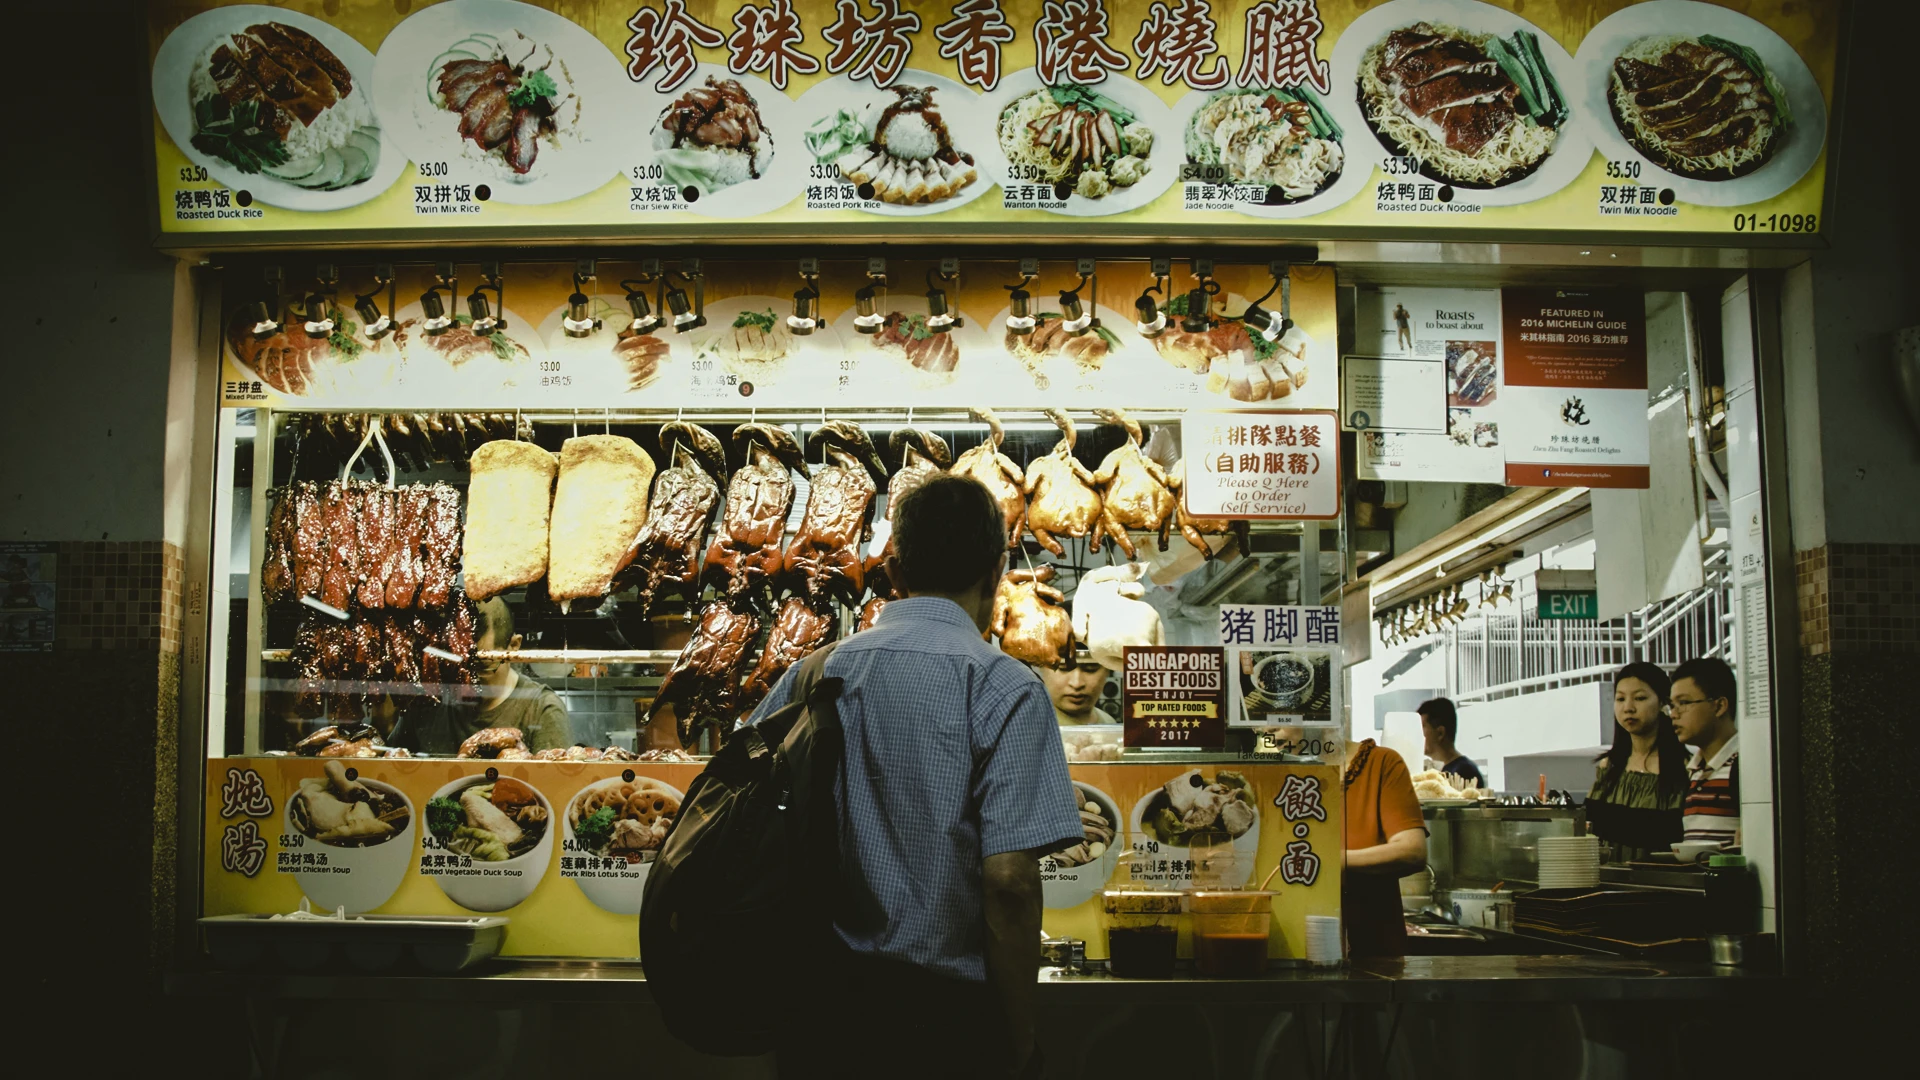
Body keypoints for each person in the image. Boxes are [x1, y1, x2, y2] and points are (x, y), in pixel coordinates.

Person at [749, 474, 1082, 1079]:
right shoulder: (1004, 686)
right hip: (945, 1020)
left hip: (816, 1013)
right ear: (996, 570)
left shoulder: (811, 675)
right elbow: (1008, 881)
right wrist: (1021, 1036)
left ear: (894, 572)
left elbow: (744, 821)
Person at [388, 597, 571, 754]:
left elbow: (554, 789)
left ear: (513, 646)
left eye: (482, 665)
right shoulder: (429, 701)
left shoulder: (541, 709)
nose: (468, 679)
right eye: (456, 666)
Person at [1585, 663, 1687, 863]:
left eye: (1640, 698)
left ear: (1662, 703)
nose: (1628, 708)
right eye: (1620, 699)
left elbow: (1673, 835)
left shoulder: (1682, 768)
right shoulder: (1609, 766)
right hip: (1607, 879)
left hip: (1658, 882)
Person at [1343, 735, 1429, 958]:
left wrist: (1330, 860)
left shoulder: (1381, 763)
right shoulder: (1268, 767)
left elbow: (1412, 851)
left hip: (1372, 951)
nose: (1271, 727)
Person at [1670, 656, 1740, 849]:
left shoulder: (1743, 765)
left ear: (1719, 706)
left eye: (1683, 703)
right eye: (1672, 706)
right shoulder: (1694, 770)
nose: (1674, 714)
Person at [1418, 697, 1484, 788]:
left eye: (1421, 727)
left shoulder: (1465, 772)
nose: (1416, 733)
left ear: (1440, 733)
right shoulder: (1439, 771)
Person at [1038, 651, 1117, 726]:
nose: (1076, 683)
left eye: (1090, 669)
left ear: (1108, 671)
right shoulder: (1031, 723)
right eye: (1063, 668)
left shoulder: (1109, 722)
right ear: (1041, 668)